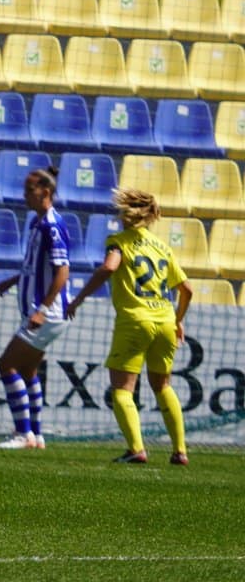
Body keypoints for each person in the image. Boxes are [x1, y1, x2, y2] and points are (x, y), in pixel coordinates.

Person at [65, 188, 192, 465]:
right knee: (162, 385)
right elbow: (187, 289)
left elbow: (109, 268)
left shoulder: (118, 241)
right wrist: (178, 320)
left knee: (122, 388)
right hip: (165, 321)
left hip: (135, 319)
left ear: (127, 213)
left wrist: (78, 299)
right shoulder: (162, 247)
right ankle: (180, 451)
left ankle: (136, 449)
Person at [0, 167, 72, 451]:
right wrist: (13, 280)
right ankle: (36, 435)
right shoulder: (37, 223)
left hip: (46, 314)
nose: (25, 196)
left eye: (29, 190)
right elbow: (38, 267)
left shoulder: (51, 225)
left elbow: (63, 271)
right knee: (27, 370)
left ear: (45, 193)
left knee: (6, 364)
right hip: (40, 312)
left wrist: (43, 308)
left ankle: (22, 433)